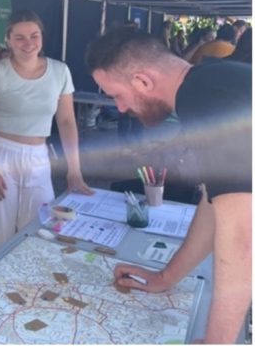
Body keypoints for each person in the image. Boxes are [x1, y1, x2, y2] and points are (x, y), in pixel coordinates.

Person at [85, 26, 251, 344]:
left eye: (116, 96)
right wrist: (166, 277)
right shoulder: (210, 81)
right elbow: (214, 203)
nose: (119, 108)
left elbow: (241, 239)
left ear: (143, 81)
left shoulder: (209, 101)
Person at [0, 10, 92, 253]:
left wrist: (75, 170)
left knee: (40, 233)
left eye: (33, 35)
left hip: (38, 157)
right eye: (19, 37)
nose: (28, 43)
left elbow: (67, 122)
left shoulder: (60, 71)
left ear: (41, 37)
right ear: (8, 40)